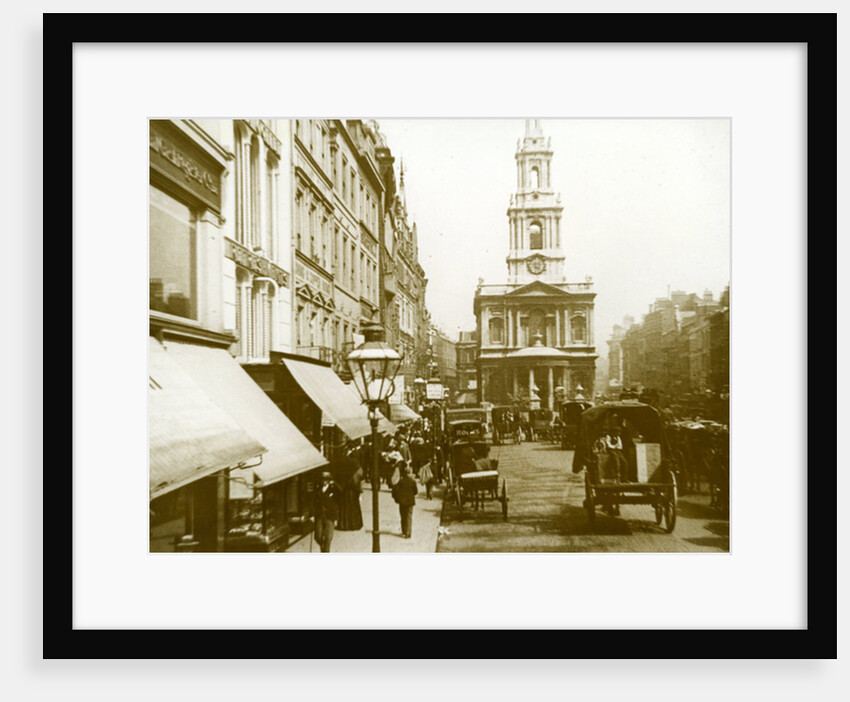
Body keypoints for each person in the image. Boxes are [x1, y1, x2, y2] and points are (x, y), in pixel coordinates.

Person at [336, 448, 364, 531]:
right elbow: (359, 476)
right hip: (353, 490)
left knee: (344, 507)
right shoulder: (356, 464)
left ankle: (344, 524)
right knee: (354, 507)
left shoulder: (343, 463)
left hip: (345, 489)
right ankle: (354, 524)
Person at [313, 471, 341, 552]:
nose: (324, 481)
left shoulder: (333, 488)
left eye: (326, 480)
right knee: (318, 536)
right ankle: (323, 546)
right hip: (319, 515)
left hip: (330, 515)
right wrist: (312, 514)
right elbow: (314, 501)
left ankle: (326, 551)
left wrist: (334, 483)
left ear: (329, 480)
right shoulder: (318, 488)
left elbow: (341, 492)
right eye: (323, 479)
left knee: (328, 537)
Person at [391, 462, 418, 538]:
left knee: (403, 516)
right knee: (409, 517)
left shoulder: (401, 482)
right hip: (410, 502)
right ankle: (408, 533)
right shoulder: (413, 482)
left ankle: (404, 530)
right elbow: (416, 492)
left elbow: (396, 490)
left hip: (402, 502)